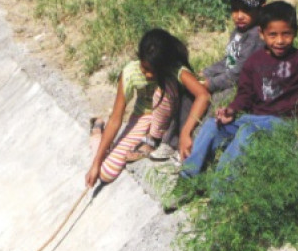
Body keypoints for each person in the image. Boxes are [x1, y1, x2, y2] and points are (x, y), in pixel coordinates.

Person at [180, 0, 298, 178]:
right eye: (273, 35)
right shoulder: (254, 62)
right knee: (212, 125)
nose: (280, 41)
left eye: (286, 34)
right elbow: (244, 95)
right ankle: (188, 178)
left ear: (295, 32)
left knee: (248, 132)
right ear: (262, 34)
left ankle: (222, 189)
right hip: (254, 118)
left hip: (283, 122)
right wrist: (231, 110)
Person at [151, 0, 267, 161]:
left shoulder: (255, 37)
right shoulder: (238, 32)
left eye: (246, 10)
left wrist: (210, 84)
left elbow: (238, 74)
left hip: (239, 86)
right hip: (227, 78)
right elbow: (228, 61)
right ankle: (173, 142)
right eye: (234, 9)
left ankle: (194, 149)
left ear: (261, 9)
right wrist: (207, 72)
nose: (239, 15)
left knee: (214, 105)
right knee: (187, 93)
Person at [86, 29, 210, 187]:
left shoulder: (174, 70)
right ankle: (97, 131)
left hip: (168, 119)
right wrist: (96, 163)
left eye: (151, 71)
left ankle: (152, 141)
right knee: (105, 172)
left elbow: (203, 96)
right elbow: (116, 119)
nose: (146, 74)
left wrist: (186, 132)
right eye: (143, 68)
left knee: (164, 89)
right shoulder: (130, 73)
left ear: (164, 66)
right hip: (143, 118)